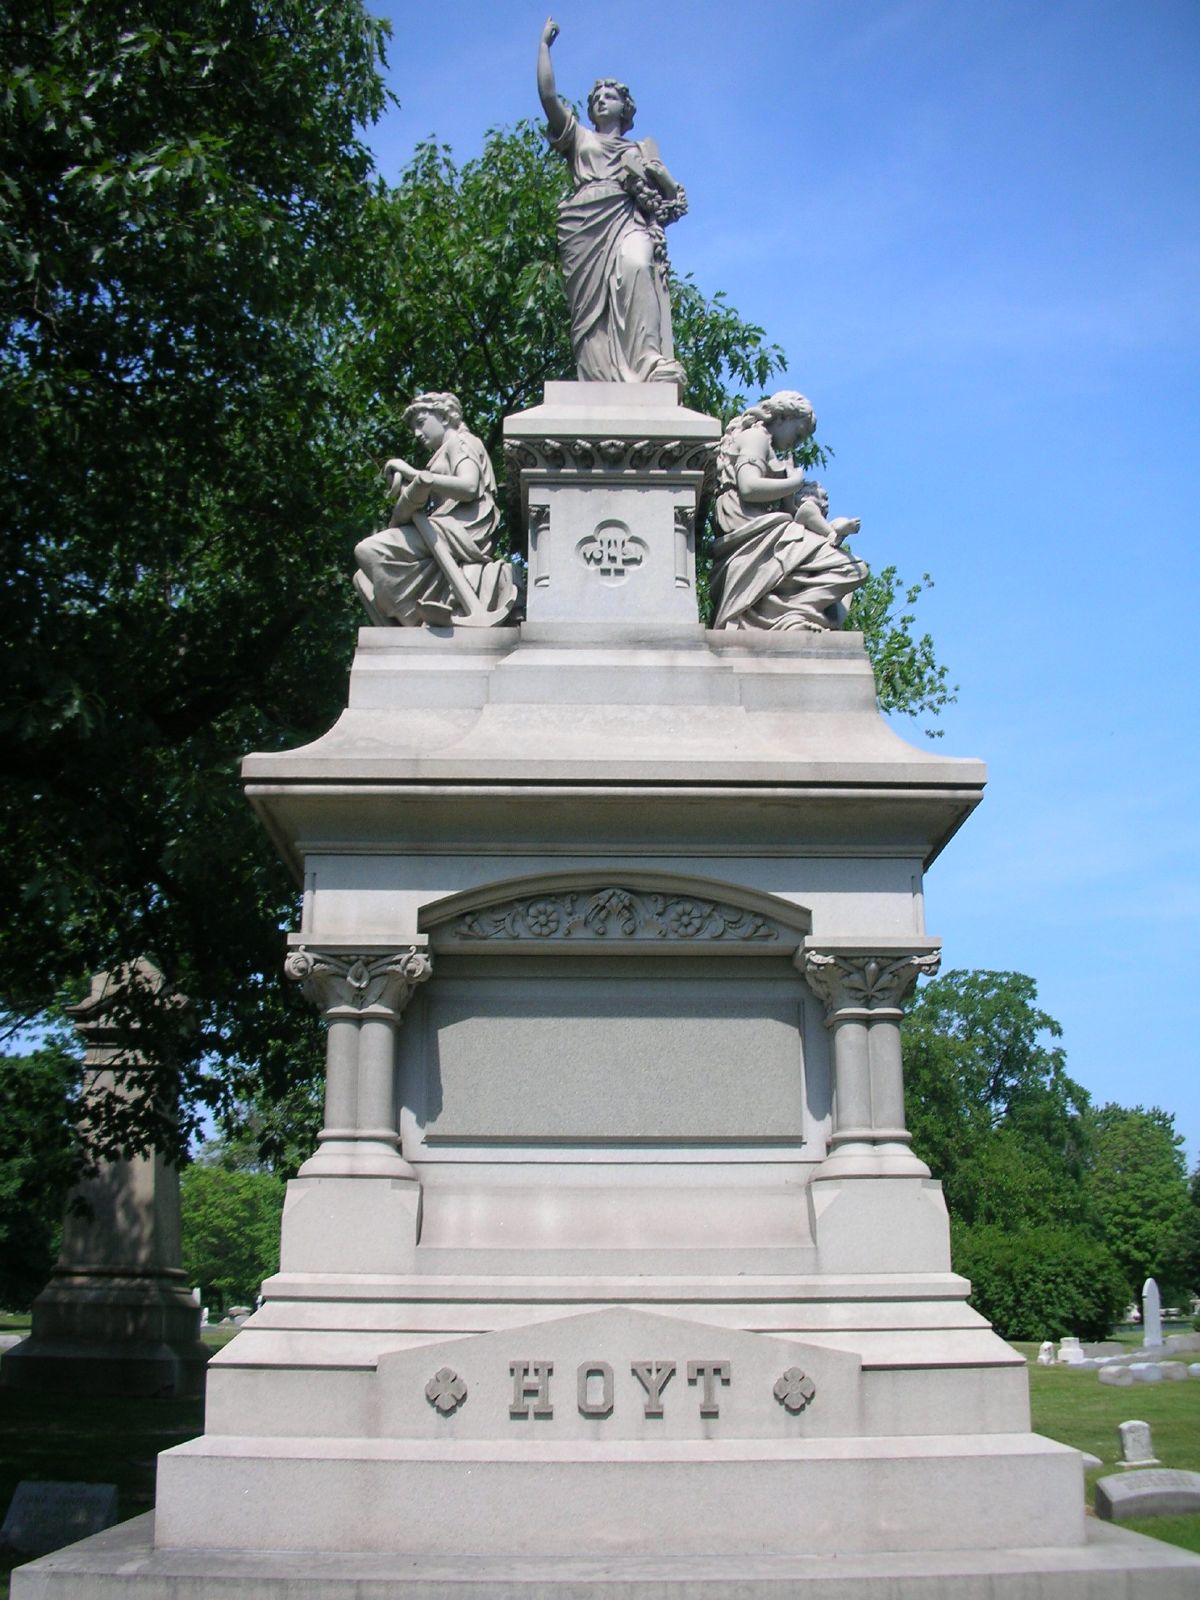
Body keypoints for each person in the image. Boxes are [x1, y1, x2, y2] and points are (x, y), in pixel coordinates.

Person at [537, 17, 686, 384]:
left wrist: (656, 171)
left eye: (610, 97)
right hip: (584, 225)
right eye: (596, 99)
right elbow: (548, 97)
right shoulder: (579, 138)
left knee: (637, 267)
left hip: (628, 217)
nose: (602, 101)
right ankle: (599, 375)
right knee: (591, 312)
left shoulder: (641, 148)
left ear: (625, 106)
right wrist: (544, 49)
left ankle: (648, 361)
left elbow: (675, 201)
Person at [354, 392, 516, 628]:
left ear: (443, 416)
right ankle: (403, 634)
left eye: (421, 424)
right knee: (363, 579)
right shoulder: (441, 453)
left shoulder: (462, 442)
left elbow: (470, 486)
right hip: (439, 527)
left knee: (368, 550)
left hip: (461, 529)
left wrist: (414, 474)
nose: (418, 434)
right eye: (414, 429)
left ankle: (411, 616)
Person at [710, 392, 868, 632]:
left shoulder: (769, 448)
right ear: (784, 417)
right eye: (799, 432)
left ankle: (793, 614)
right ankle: (787, 615)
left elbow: (792, 511)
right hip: (749, 526)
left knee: (853, 569)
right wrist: (794, 482)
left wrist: (831, 530)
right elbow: (749, 487)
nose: (798, 442)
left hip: (768, 526)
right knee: (847, 567)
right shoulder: (755, 437)